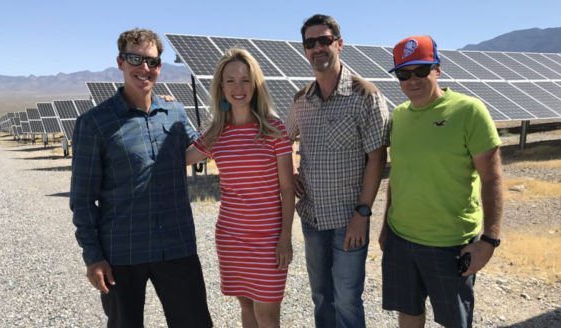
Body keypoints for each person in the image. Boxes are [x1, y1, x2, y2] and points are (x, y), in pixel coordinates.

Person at [70, 28, 212, 328]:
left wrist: (233, 110)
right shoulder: (94, 123)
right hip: (123, 251)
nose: (144, 68)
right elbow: (82, 200)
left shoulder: (174, 112)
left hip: (176, 245)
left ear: (159, 66)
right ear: (120, 62)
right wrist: (93, 257)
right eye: (135, 59)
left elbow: (199, 149)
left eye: (152, 61)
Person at [378, 35, 504, 328]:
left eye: (421, 70)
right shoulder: (398, 116)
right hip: (401, 239)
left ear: (438, 69)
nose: (412, 80)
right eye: (403, 73)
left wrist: (489, 241)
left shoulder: (469, 111)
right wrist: (385, 227)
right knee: (408, 314)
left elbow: (492, 178)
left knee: (454, 322)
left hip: (450, 245)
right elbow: (398, 177)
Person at [286, 14, 390, 328]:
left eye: (324, 40)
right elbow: (280, 142)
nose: (317, 48)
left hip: (349, 220)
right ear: (304, 49)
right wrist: (291, 170)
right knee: (321, 295)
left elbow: (377, 159)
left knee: (347, 298)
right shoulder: (301, 100)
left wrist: (363, 213)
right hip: (312, 218)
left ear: (339, 45)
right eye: (310, 43)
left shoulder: (366, 95)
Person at [186, 48, 295, 328]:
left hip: (270, 239)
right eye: (230, 80)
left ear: (256, 84)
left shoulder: (274, 130)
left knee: (267, 313)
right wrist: (168, 111)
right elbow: (180, 159)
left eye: (245, 80)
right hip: (231, 237)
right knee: (246, 306)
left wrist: (285, 236)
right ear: (221, 87)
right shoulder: (216, 134)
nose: (238, 87)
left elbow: (287, 188)